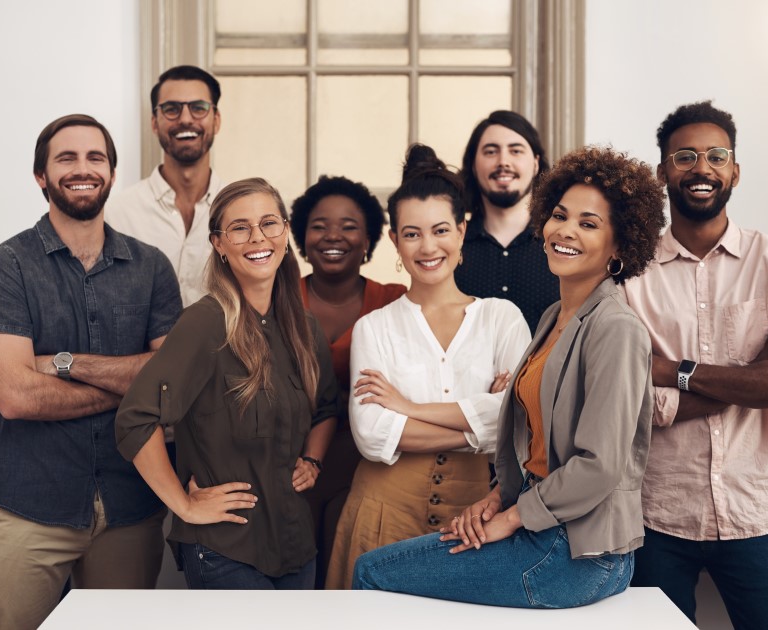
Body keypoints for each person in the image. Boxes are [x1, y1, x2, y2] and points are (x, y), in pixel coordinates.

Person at [352, 146, 667, 609]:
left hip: (576, 550)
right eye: (559, 215)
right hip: (545, 526)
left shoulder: (615, 328)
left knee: (372, 572)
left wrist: (513, 517)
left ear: (620, 245)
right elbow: (526, 435)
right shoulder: (555, 317)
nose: (566, 231)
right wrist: (497, 497)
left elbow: (600, 466)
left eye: (589, 223)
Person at [0, 114, 183, 630]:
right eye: (66, 158)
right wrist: (132, 388)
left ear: (111, 173)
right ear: (41, 176)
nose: (82, 169)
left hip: (129, 503)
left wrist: (63, 365)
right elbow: (16, 398)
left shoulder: (152, 267)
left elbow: (171, 382)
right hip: (28, 505)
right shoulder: (5, 266)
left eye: (96, 158)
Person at [624, 101, 768, 628]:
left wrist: (673, 371)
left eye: (717, 155)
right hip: (658, 514)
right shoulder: (630, 277)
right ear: (662, 171)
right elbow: (631, 406)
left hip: (756, 508)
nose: (702, 168)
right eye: (685, 156)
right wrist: (757, 373)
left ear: (735, 169)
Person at [115, 178, 338, 590]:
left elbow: (326, 408)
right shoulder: (204, 323)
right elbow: (135, 420)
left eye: (269, 223)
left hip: (295, 545)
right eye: (239, 228)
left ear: (286, 233)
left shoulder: (304, 327)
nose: (258, 237)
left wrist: (313, 459)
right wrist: (182, 504)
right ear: (218, 243)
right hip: (227, 549)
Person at [325, 144, 531, 589]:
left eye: (440, 230)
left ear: (461, 231)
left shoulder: (502, 317)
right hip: (379, 515)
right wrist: (481, 424)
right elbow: (373, 435)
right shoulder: (373, 328)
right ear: (395, 241)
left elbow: (522, 425)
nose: (428, 246)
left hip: (474, 523)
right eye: (412, 234)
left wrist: (405, 406)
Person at [289, 175, 407, 587]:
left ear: (370, 239)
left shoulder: (395, 302)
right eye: (319, 225)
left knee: (347, 585)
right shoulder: (277, 302)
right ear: (302, 236)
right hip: (291, 467)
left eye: (349, 226)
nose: (332, 236)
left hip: (368, 471)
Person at [106, 65, 224, 307]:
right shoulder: (116, 215)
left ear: (216, 120)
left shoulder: (240, 210)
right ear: (154, 123)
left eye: (198, 108)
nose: (185, 119)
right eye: (171, 109)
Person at [456, 110, 560, 333]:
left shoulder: (563, 243)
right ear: (474, 165)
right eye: (491, 151)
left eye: (515, 151)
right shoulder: (452, 246)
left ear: (535, 164)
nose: (503, 162)